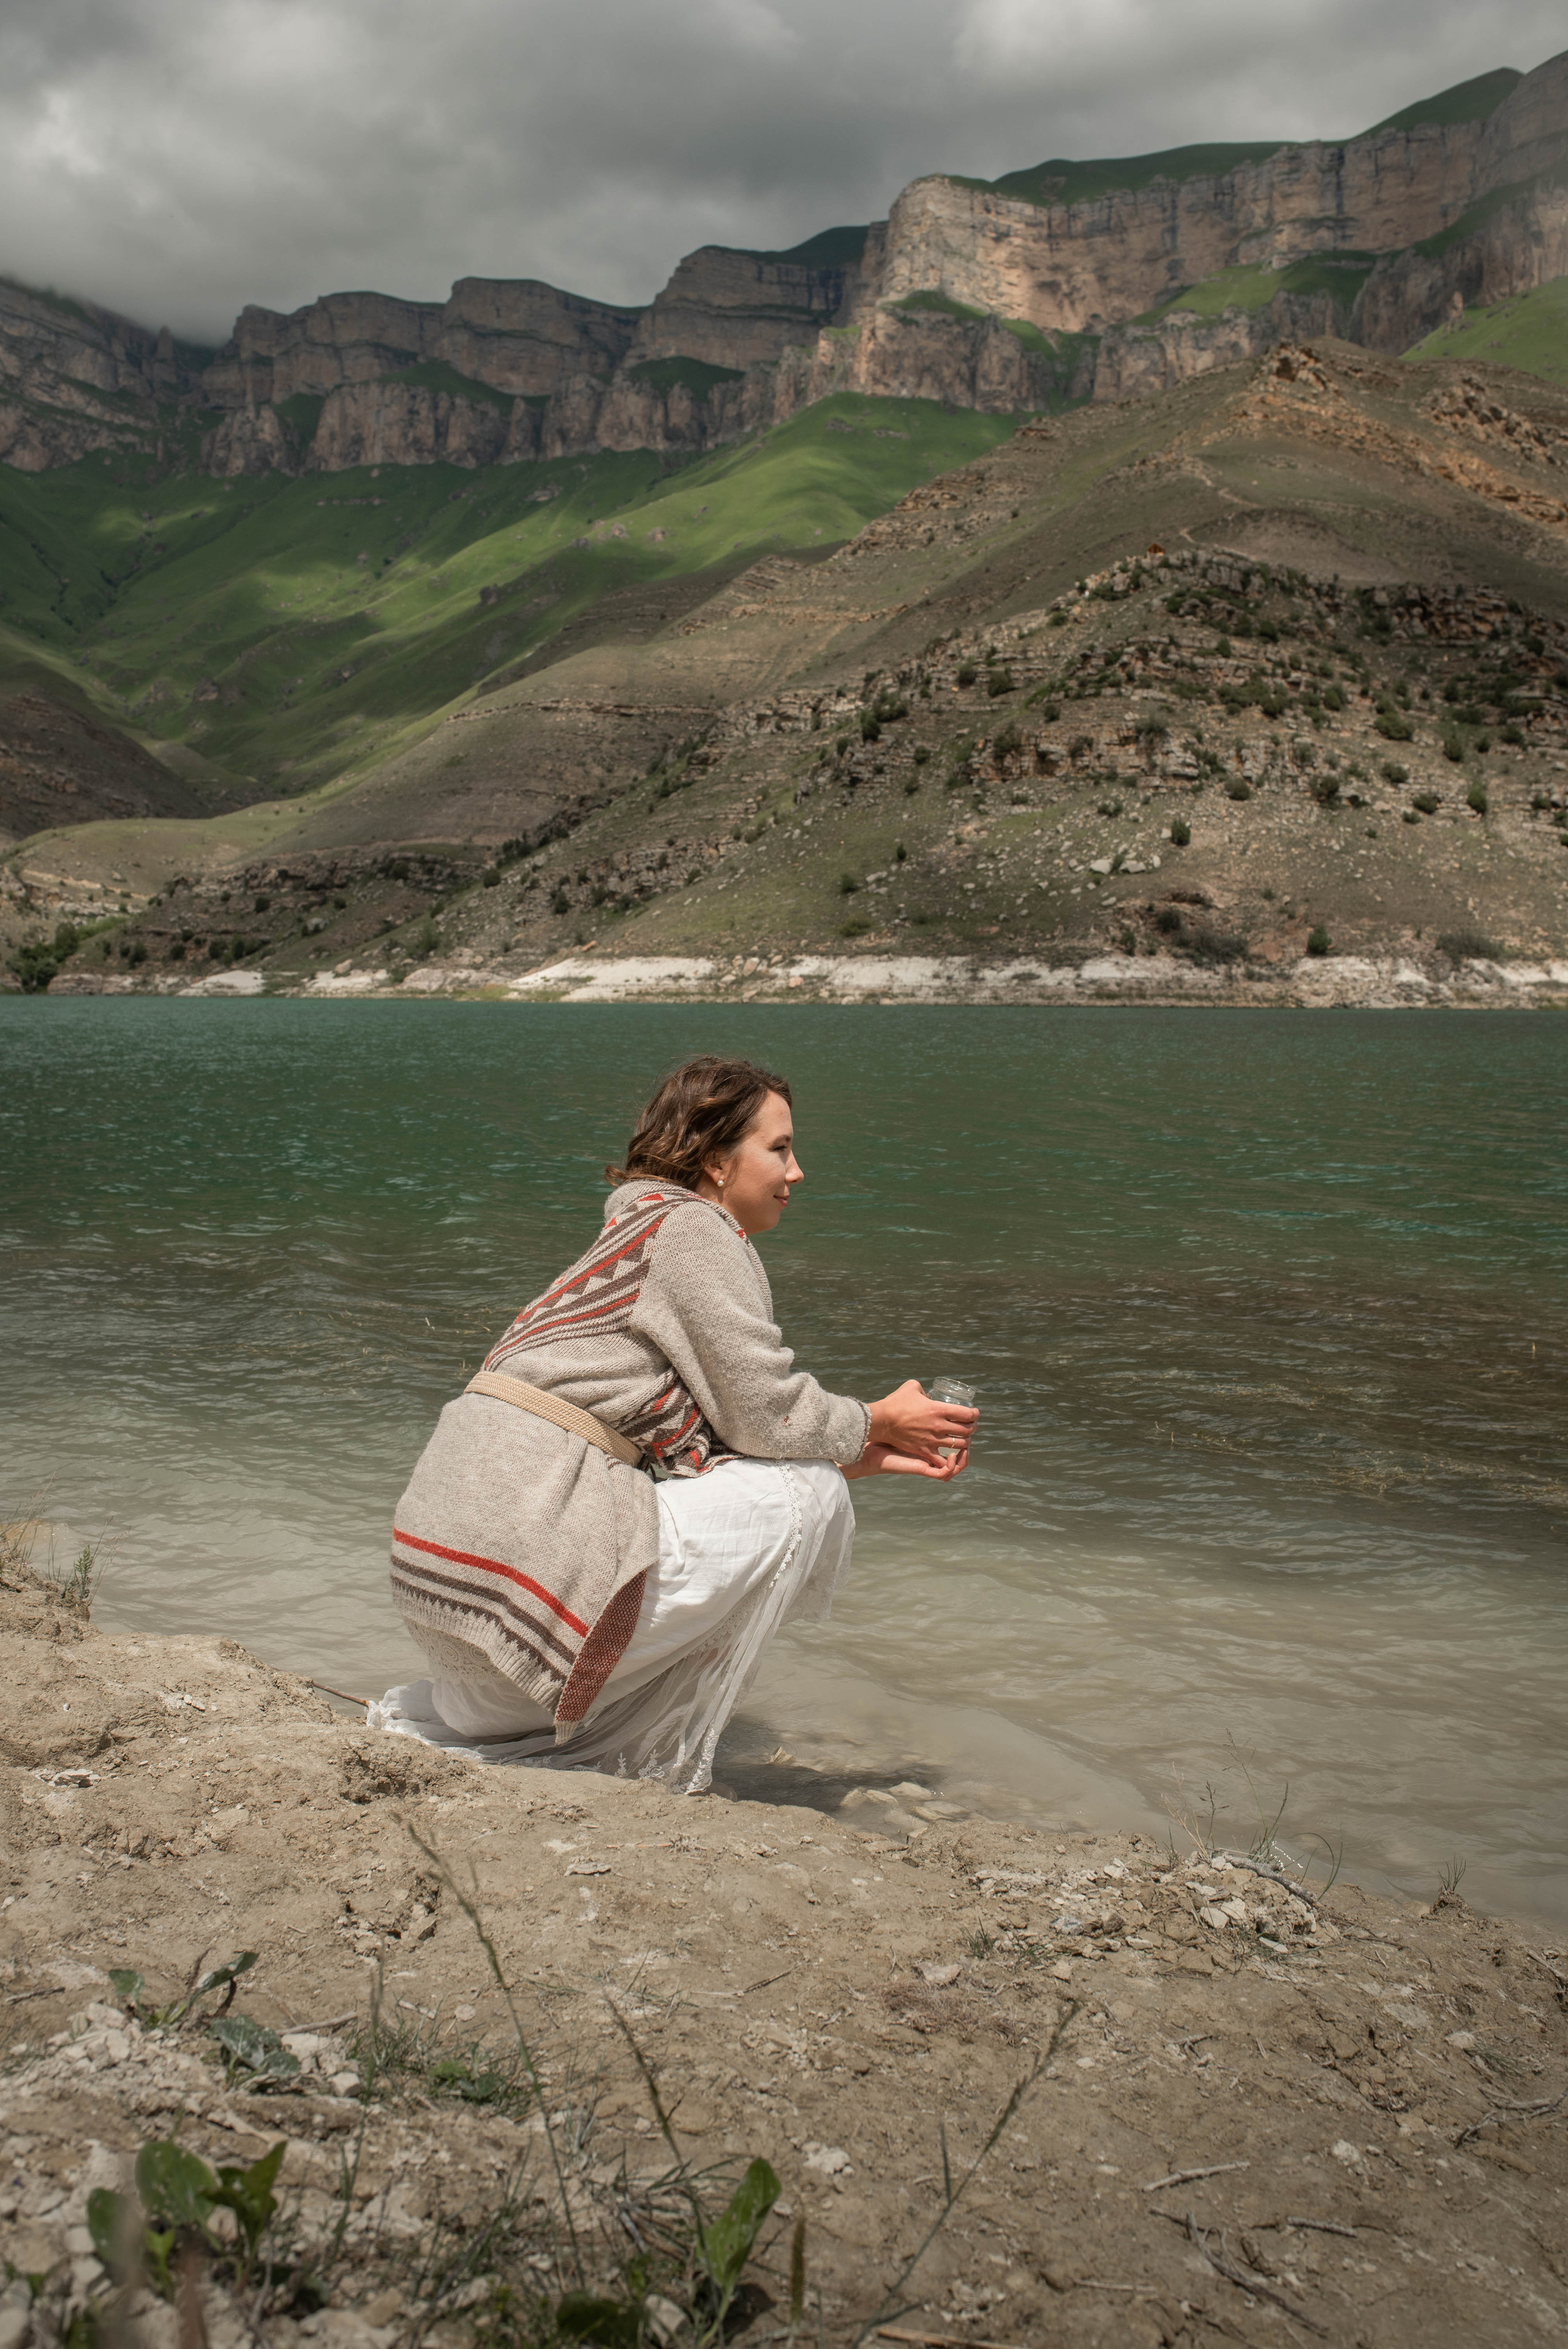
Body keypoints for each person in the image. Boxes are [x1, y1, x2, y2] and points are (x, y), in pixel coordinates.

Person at [372, 1054, 978, 1791]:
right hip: (507, 1617)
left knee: (814, 1485)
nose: (797, 1173)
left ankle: (565, 1721)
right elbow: (766, 1415)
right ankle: (638, 1756)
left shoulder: (637, 1233)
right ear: (717, 1161)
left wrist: (867, 1452)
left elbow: (717, 1447)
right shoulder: (692, 1229)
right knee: (808, 1503)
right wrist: (875, 1416)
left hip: (456, 1615)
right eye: (779, 1149)